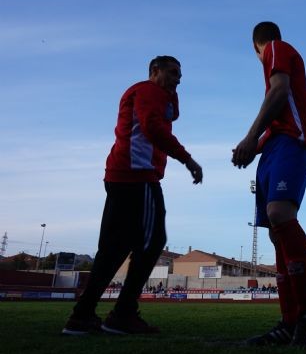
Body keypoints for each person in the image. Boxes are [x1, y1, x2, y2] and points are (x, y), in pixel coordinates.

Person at [62, 56, 203, 336]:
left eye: (180, 75)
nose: (179, 79)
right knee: (152, 243)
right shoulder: (150, 91)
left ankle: (82, 315)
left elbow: (166, 116)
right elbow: (153, 126)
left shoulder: (143, 93)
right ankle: (123, 314)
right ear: (155, 71)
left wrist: (171, 97)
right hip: (139, 177)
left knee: (113, 248)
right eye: (173, 73)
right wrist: (187, 160)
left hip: (118, 174)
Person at [234, 22, 306, 348]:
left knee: (280, 212)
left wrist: (248, 137)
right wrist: (252, 148)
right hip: (273, 149)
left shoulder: (274, 48)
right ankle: (288, 322)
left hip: (292, 144)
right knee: (275, 230)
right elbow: (276, 117)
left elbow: (279, 91)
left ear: (255, 47)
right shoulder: (274, 61)